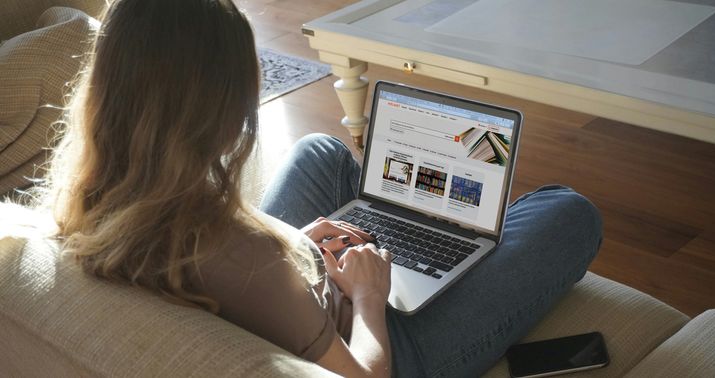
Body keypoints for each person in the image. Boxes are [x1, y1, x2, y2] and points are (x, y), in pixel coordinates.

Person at [37, 0, 603, 376]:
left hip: (285, 297)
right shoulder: (240, 253)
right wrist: (367, 297)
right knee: (567, 211)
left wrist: (296, 243)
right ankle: (438, 247)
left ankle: (410, 228)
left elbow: (239, 276)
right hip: (384, 346)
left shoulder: (86, 199)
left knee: (320, 150)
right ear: (219, 106)